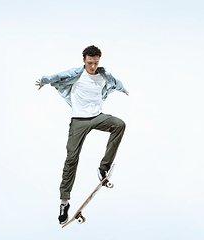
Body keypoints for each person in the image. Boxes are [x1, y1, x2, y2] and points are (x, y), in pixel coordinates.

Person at [35, 45, 129, 225]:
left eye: (95, 63)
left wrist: (123, 89)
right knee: (71, 158)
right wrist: (45, 81)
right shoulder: (77, 74)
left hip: (98, 117)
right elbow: (58, 77)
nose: (92, 66)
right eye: (89, 63)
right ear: (84, 61)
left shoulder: (103, 75)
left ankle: (104, 167)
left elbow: (115, 82)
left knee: (119, 125)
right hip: (79, 120)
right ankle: (64, 202)